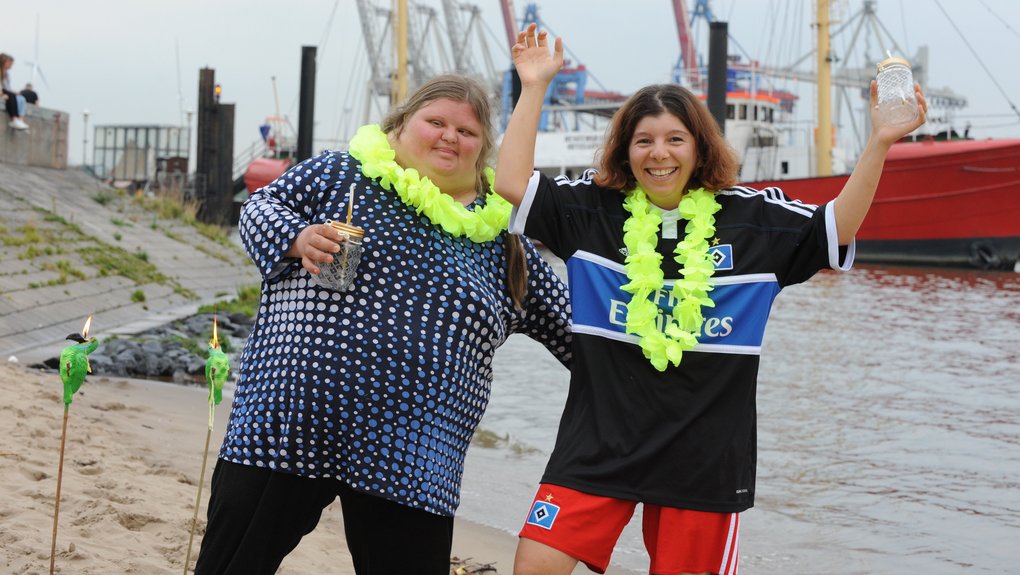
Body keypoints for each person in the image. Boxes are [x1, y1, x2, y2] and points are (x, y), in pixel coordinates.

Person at [494, 24, 928, 575]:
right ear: (626, 153)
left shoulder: (755, 221)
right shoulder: (591, 213)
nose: (659, 154)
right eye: (644, 141)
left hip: (703, 459)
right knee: (532, 567)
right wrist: (534, 88)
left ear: (699, 147)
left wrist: (881, 141)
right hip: (597, 445)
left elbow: (837, 224)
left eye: (675, 139)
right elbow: (512, 181)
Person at [193, 73, 572, 575]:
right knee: (231, 566)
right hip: (287, 424)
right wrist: (298, 238)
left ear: (482, 149)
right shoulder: (340, 174)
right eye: (435, 121)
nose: (449, 137)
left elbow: (579, 334)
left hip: (414, 452)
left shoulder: (503, 239)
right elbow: (260, 207)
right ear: (400, 123)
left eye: (467, 132)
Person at [0, 53, 29, 130]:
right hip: (2, 92)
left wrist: (14, 92)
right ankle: (14, 119)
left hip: (4, 91)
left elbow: (7, 87)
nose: (11, 65)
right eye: (10, 63)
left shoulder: (6, 73)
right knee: (11, 96)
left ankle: (20, 119)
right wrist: (2, 95)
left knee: (21, 98)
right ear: (4, 62)